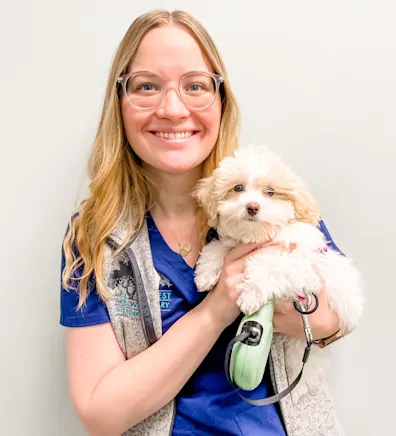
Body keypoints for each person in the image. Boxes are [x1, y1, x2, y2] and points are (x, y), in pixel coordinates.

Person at [61, 10, 350, 436]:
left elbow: (336, 316)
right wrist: (216, 309)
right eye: (146, 86)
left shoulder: (270, 197)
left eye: (195, 86)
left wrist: (292, 299)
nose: (173, 109)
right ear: (119, 103)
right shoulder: (94, 237)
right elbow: (100, 414)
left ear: (221, 100)